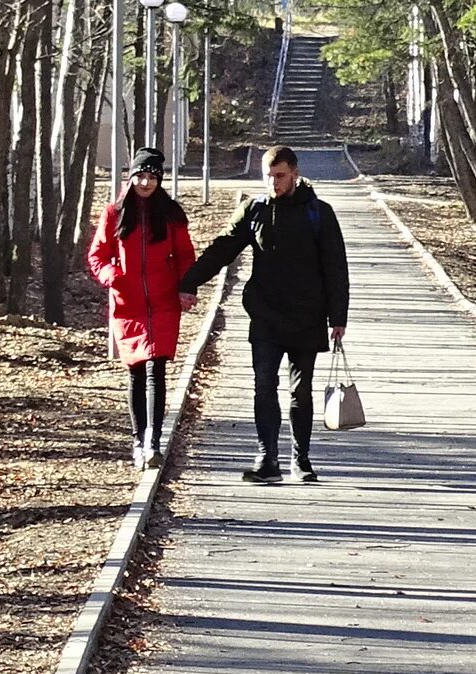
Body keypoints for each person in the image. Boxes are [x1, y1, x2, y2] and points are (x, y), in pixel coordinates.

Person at [180, 144, 349, 483]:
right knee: (263, 387)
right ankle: (266, 459)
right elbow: (223, 248)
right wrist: (189, 282)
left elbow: (336, 267)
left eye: (280, 176)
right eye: (268, 176)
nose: (274, 183)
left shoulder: (319, 213)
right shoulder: (253, 210)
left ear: (295, 174)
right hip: (266, 317)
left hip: (307, 316)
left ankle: (301, 461)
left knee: (301, 392)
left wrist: (338, 317)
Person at [86, 149, 197, 469]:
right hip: (128, 305)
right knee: (135, 371)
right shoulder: (114, 213)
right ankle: (138, 439)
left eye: (152, 177)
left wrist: (186, 288)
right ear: (131, 177)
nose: (146, 182)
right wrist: (112, 277)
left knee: (156, 369)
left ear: (160, 180)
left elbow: (184, 256)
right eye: (140, 176)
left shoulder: (172, 214)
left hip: (163, 303)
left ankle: (154, 440)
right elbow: (98, 256)